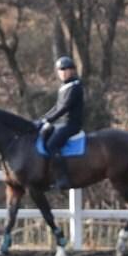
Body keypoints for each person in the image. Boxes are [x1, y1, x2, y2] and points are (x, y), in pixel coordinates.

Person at [35, 56, 84, 191]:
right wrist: (43, 119)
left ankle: (62, 178)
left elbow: (65, 107)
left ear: (72, 70)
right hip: (61, 124)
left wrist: (48, 120)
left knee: (52, 145)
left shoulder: (75, 86)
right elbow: (56, 107)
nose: (62, 72)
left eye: (65, 69)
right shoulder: (64, 87)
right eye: (60, 69)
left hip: (71, 125)